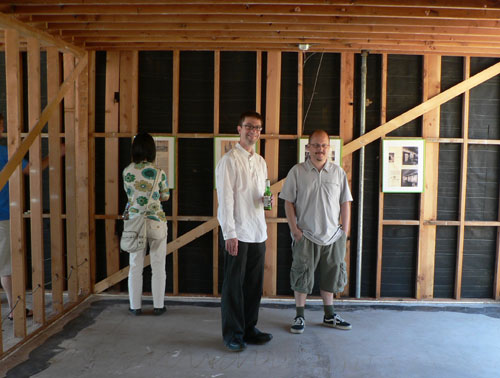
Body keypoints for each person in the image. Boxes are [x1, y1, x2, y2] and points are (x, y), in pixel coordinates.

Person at [279, 129, 353, 334]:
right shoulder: (297, 171)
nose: (320, 149)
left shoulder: (338, 172)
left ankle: (329, 316)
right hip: (306, 235)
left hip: (333, 236)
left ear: (329, 148)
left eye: (324, 145)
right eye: (316, 145)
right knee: (302, 276)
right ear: (308, 147)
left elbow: (345, 203)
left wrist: (344, 232)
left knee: (331, 276)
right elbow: (288, 202)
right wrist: (295, 230)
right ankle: (299, 316)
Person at [216, 111, 273, 352]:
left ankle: (249, 329)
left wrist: (266, 200)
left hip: (258, 231)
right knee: (233, 287)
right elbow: (225, 200)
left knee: (252, 285)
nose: (253, 131)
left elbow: (264, 192)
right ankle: (233, 334)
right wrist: (229, 233)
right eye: (249, 126)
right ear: (238, 129)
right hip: (237, 232)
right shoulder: (229, 160)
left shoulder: (260, 161)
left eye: (258, 128)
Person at [123, 132, 170, 316]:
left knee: (135, 265)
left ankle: (135, 306)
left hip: (135, 223)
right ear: (152, 151)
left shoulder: (127, 171)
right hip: (156, 222)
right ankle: (158, 306)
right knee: (158, 265)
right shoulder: (159, 173)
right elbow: (165, 196)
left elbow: (129, 196)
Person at [0, 113, 36, 321]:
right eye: (2, 126)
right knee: (6, 266)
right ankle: (15, 308)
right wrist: (58, 154)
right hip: (3, 216)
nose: (3, 130)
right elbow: (31, 169)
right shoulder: (4, 152)